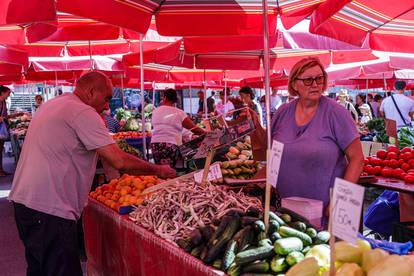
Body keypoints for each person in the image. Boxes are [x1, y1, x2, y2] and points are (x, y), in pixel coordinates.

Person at [8, 72, 176, 276]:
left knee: (40, 269)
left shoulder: (55, 104)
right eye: (106, 98)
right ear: (90, 92)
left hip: (26, 203)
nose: (107, 106)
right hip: (50, 208)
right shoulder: (82, 112)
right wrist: (159, 170)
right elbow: (119, 160)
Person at [250, 57, 363, 221]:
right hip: (287, 210)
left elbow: (357, 159)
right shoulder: (283, 112)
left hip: (329, 211)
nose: (315, 84)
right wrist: (256, 126)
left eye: (319, 78)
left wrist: (339, 202)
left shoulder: (337, 113)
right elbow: (273, 151)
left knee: (333, 247)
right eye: (308, 80)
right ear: (295, 84)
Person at [151, 88, 206, 168]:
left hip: (155, 144)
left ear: (164, 97)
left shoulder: (155, 111)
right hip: (170, 145)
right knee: (170, 170)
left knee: (160, 170)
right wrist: (205, 132)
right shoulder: (179, 112)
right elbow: (194, 129)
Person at [0, 85, 24, 176]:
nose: (9, 95)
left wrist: (17, 115)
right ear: (2, 93)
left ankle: (1, 170)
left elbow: (6, 116)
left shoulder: (4, 103)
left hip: (2, 130)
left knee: (0, 150)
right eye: (8, 93)